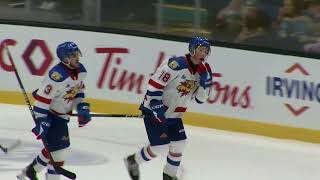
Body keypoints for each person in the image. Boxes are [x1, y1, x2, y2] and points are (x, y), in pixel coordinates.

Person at [124, 36, 213, 180]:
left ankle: (169, 175)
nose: (203, 54)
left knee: (179, 144)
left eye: (206, 51)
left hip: (175, 114)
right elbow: (154, 86)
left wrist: (205, 84)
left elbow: (200, 99)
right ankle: (133, 161)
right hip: (154, 109)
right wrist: (156, 108)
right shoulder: (176, 65)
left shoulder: (204, 71)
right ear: (192, 50)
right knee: (160, 148)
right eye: (200, 50)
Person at [17, 41, 91, 180]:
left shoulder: (81, 70)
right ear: (65, 58)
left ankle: (30, 171)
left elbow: (78, 90)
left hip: (61, 116)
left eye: (77, 54)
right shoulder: (57, 76)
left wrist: (81, 106)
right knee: (59, 153)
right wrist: (41, 121)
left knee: (52, 148)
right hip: (50, 115)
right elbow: (42, 99)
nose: (77, 57)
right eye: (73, 55)